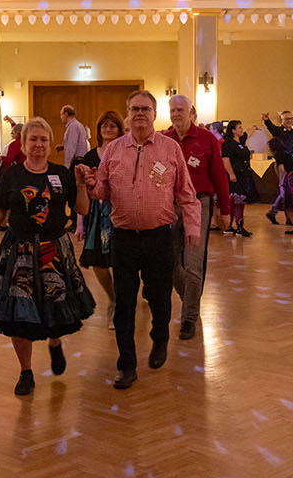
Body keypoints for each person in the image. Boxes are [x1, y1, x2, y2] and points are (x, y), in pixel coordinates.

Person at [77, 90, 200, 389]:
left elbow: (186, 193)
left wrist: (193, 226)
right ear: (128, 115)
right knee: (124, 304)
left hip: (159, 237)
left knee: (159, 298)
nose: (140, 113)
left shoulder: (170, 149)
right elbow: (102, 191)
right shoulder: (114, 150)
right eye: (135, 109)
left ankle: (160, 338)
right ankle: (127, 365)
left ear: (154, 114)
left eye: (145, 109)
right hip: (123, 239)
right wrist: (92, 183)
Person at [0, 117, 95, 396]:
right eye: (33, 139)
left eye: (43, 139)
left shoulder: (61, 174)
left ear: (50, 144)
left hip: (54, 249)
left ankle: (55, 341)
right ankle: (25, 371)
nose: (38, 144)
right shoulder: (12, 175)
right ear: (23, 143)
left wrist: (80, 185)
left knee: (55, 303)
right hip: (20, 250)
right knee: (18, 313)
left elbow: (83, 209)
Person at [164, 94, 227, 341]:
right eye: (173, 110)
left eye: (181, 110)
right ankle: (189, 297)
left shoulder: (206, 138)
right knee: (169, 261)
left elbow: (219, 175)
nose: (176, 114)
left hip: (199, 204)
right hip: (170, 205)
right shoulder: (164, 139)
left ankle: (189, 317)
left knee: (193, 262)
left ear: (191, 113)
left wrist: (225, 209)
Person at [76, 110, 125, 327]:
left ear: (120, 129)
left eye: (112, 125)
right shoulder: (90, 156)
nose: (108, 129)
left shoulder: (126, 152)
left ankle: (122, 303)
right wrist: (79, 223)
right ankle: (113, 298)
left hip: (121, 211)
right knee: (98, 261)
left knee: (121, 260)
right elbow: (82, 192)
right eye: (104, 125)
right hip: (96, 214)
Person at [263, 109, 293, 228]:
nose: (289, 121)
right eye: (287, 119)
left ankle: (279, 214)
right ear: (282, 120)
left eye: (291, 118)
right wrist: (267, 120)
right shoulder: (278, 131)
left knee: (289, 189)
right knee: (285, 188)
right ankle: (282, 215)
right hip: (281, 164)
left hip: (291, 164)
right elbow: (271, 127)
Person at [221, 119, 254, 237]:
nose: (242, 130)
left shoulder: (240, 142)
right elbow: (225, 159)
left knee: (239, 201)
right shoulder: (228, 143)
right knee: (235, 200)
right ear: (233, 130)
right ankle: (233, 227)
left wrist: (256, 126)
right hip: (235, 175)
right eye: (239, 127)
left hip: (243, 174)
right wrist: (231, 174)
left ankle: (237, 226)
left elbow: (248, 133)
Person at [60, 105, 90, 169]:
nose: (61, 117)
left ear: (66, 114)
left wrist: (67, 167)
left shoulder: (73, 127)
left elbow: (71, 148)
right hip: (80, 161)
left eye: (61, 114)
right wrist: (63, 146)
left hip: (75, 163)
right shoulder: (79, 125)